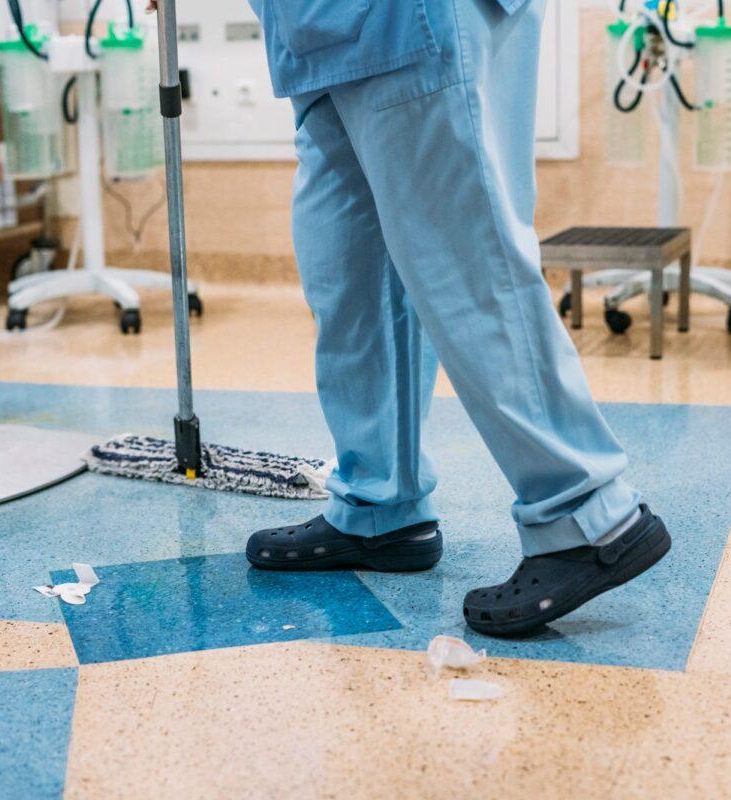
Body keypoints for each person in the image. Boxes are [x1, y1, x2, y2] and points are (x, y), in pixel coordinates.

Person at [152, 0, 671, 637]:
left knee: (467, 259)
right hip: (320, 36)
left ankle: (588, 516)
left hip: (407, 17)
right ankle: (380, 508)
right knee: (351, 279)